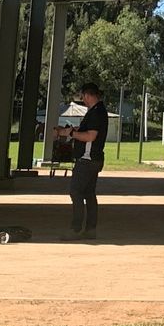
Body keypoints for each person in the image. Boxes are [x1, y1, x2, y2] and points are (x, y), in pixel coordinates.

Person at [67, 86, 108, 237]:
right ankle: (91, 229)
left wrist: (72, 133)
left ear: (88, 95)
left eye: (82, 96)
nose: (82, 99)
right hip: (95, 159)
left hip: (87, 159)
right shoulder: (98, 111)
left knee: (76, 191)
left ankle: (75, 228)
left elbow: (90, 136)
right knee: (89, 194)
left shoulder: (95, 113)